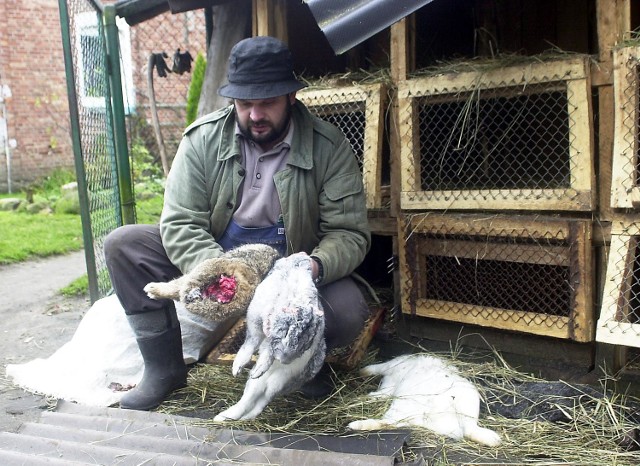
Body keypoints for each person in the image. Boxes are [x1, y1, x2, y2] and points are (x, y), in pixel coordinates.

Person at [104, 36, 372, 411]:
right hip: (221, 258)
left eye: (267, 104)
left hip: (288, 268)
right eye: (245, 104)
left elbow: (348, 233)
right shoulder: (201, 140)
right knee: (124, 245)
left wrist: (306, 269)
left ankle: (304, 364)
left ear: (291, 97)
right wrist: (221, 272)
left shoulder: (329, 147)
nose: (256, 115)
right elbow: (181, 223)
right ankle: (164, 369)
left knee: (346, 312)